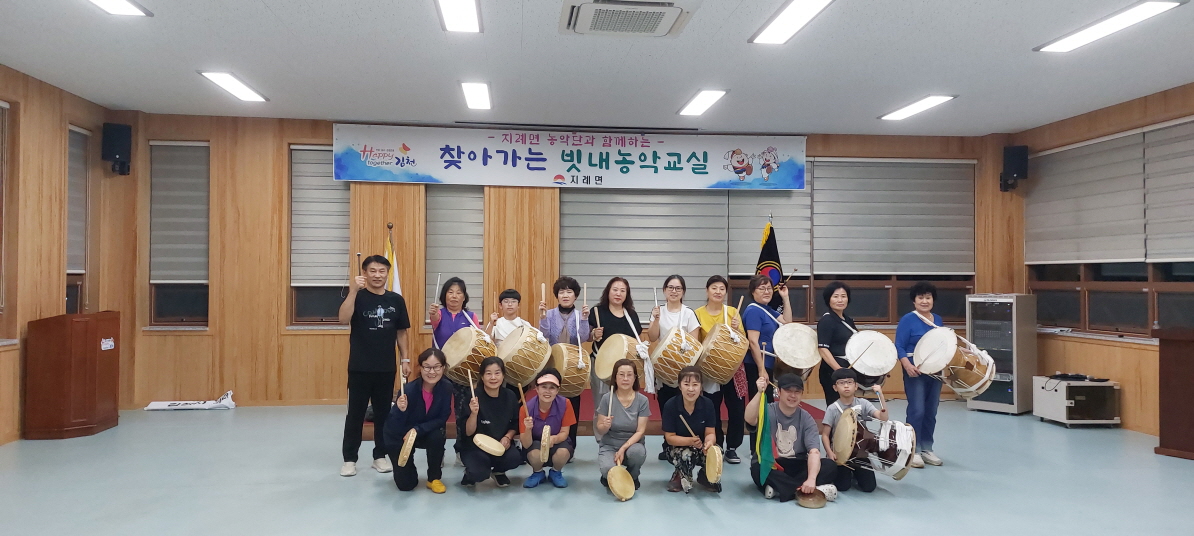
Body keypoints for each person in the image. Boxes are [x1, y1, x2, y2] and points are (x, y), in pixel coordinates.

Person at [337, 254, 411, 477]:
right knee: (355, 414)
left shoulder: (396, 300)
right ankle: (350, 459)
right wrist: (352, 291)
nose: (377, 275)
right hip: (359, 367)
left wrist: (405, 359)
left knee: (383, 414)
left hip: (386, 367)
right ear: (365, 273)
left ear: (387, 274)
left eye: (382, 271)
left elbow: (401, 332)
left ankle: (380, 456)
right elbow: (342, 319)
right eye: (372, 271)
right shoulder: (358, 297)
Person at [746, 373, 837, 503]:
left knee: (829, 466)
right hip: (772, 463)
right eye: (788, 391)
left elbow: (814, 451)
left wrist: (811, 479)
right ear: (779, 392)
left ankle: (783, 488)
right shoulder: (768, 410)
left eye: (797, 392)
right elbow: (749, 419)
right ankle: (806, 490)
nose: (793, 395)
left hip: (797, 464)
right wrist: (759, 393)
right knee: (758, 468)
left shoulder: (806, 418)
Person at [646, 274, 700, 461]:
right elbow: (652, 337)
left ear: (683, 291)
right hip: (664, 369)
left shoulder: (689, 313)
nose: (674, 291)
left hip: (684, 371)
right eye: (670, 287)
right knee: (667, 407)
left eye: (678, 288)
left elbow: (695, 343)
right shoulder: (658, 311)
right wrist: (655, 320)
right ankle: (668, 445)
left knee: (685, 406)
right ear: (664, 290)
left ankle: (685, 444)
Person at [694, 275, 746, 465]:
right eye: (714, 288)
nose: (718, 292)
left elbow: (743, 341)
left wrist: (736, 330)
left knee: (737, 408)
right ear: (707, 290)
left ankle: (732, 447)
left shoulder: (732, 312)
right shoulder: (698, 313)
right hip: (709, 368)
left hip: (733, 367)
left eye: (721, 288)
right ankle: (716, 444)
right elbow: (696, 342)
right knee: (711, 408)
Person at [384, 348, 453, 493]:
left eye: (437, 367)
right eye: (427, 367)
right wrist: (400, 410)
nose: (432, 372)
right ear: (420, 368)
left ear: (443, 368)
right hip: (400, 435)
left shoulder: (446, 387)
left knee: (437, 435)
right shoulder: (408, 390)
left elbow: (443, 417)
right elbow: (394, 426)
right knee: (406, 485)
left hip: (422, 431)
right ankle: (408, 470)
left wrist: (417, 430)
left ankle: (434, 478)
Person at [429, 276, 481, 464]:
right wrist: (433, 313)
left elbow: (478, 341)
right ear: (444, 295)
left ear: (464, 297)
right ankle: (438, 451)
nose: (454, 296)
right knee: (439, 413)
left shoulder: (471, 317)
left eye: (459, 292)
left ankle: (462, 450)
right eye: (450, 292)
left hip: (464, 373)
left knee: (463, 413)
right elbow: (434, 319)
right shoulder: (438, 314)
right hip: (440, 372)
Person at [894, 281, 945, 469]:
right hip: (914, 370)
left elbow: (943, 345)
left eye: (928, 297)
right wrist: (906, 365)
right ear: (914, 301)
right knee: (917, 409)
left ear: (933, 300)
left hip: (935, 371)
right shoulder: (908, 320)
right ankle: (912, 449)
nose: (925, 301)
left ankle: (927, 448)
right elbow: (899, 345)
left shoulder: (937, 320)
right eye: (920, 297)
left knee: (931, 410)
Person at [538, 276, 590, 444]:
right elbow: (544, 336)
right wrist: (543, 318)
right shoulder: (550, 314)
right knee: (550, 402)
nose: (565, 295)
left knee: (572, 404)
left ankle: (570, 444)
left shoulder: (580, 315)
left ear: (576, 295)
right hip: (553, 364)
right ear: (557, 295)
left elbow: (583, 337)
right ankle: (548, 441)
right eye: (561, 292)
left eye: (569, 292)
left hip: (574, 366)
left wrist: (584, 319)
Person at [819, 368, 887, 493]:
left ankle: (856, 473)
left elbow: (883, 417)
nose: (846, 386)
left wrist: (881, 395)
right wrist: (830, 452)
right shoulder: (832, 408)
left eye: (849, 382)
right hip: (841, 454)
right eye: (841, 383)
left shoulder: (863, 403)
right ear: (835, 388)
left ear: (856, 386)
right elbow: (825, 435)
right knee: (843, 487)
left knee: (869, 487)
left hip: (860, 453)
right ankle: (848, 473)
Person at [588, 277, 644, 428]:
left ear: (627, 294)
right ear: (608, 291)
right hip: (600, 366)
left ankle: (624, 436)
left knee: (625, 404)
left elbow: (636, 339)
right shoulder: (597, 311)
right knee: (601, 405)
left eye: (622, 291)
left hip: (625, 369)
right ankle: (602, 439)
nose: (618, 293)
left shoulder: (631, 314)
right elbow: (587, 336)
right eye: (615, 290)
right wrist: (593, 334)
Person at [459, 356, 521, 488]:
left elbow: (515, 423)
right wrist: (474, 413)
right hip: (474, 447)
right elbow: (468, 432)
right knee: (479, 473)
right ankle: (470, 473)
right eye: (488, 373)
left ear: (503, 375)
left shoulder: (510, 396)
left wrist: (508, 437)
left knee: (516, 458)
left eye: (497, 373)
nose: (493, 377)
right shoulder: (473, 397)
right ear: (482, 377)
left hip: (500, 444)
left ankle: (498, 471)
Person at [661, 367, 719, 493]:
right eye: (686, 384)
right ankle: (680, 474)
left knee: (717, 452)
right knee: (686, 454)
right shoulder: (670, 405)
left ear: (701, 386)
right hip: (677, 448)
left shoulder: (708, 404)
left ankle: (705, 475)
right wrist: (690, 441)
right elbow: (670, 438)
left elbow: (710, 433)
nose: (691, 389)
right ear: (680, 386)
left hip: (700, 447)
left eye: (695, 384)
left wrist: (709, 443)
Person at [595, 359, 650, 493]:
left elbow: (640, 431)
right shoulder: (607, 398)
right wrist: (605, 425)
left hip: (633, 444)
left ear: (635, 378)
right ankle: (608, 475)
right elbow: (600, 429)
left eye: (629, 375)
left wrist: (623, 448)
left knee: (637, 453)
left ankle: (633, 475)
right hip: (610, 444)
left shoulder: (642, 400)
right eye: (621, 374)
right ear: (615, 377)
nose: (625, 379)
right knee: (607, 469)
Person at [519, 369, 577, 488]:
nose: (547, 391)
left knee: (563, 452)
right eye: (543, 387)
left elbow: (564, 432)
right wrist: (528, 429)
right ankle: (538, 472)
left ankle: (556, 472)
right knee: (534, 454)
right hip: (535, 443)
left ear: (557, 390)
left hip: (557, 441)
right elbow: (526, 444)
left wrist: (554, 439)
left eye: (552, 387)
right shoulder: (525, 408)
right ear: (537, 388)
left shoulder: (565, 403)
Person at [742, 274, 793, 403]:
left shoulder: (767, 309)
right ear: (753, 291)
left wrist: (785, 297)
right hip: (756, 364)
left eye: (769, 288)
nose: (766, 292)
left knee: (767, 402)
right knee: (761, 403)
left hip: (767, 363)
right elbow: (753, 341)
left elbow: (787, 322)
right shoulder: (753, 311)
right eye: (762, 288)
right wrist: (761, 369)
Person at [817, 282, 857, 406]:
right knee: (837, 408)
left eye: (843, 296)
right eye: (835, 296)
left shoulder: (847, 320)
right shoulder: (827, 320)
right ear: (828, 299)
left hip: (848, 371)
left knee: (850, 408)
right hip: (832, 372)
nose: (840, 300)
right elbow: (823, 349)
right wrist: (839, 371)